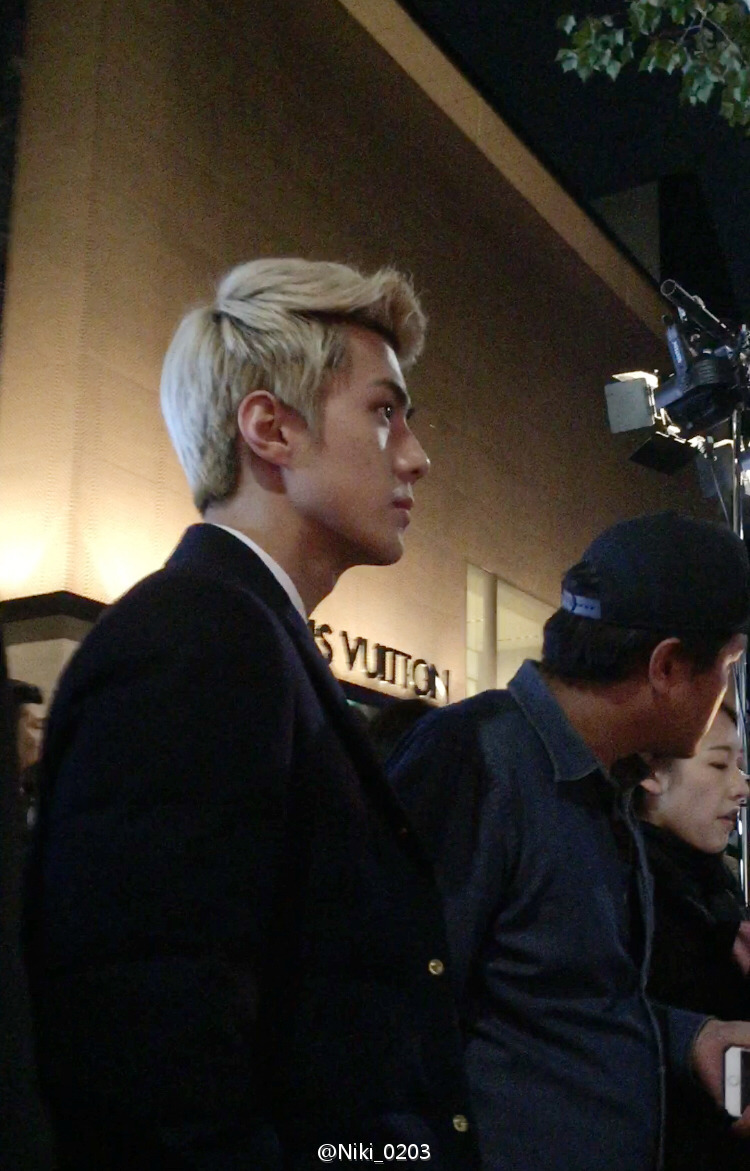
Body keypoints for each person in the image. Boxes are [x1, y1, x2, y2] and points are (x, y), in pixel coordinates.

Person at [25, 258, 480, 1170]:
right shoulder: (199, 638)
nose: (415, 455)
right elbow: (149, 1045)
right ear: (271, 428)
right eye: (384, 412)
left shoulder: (246, 636)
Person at [388, 512, 750, 1171]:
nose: (729, 689)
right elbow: (386, 1016)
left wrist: (691, 1038)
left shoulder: (602, 784)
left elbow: (566, 1001)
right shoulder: (478, 759)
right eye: (729, 664)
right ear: (668, 666)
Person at [637, 701, 750, 1169]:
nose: (741, 787)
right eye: (719, 765)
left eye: (739, 766)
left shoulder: (713, 882)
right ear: (652, 773)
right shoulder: (625, 887)